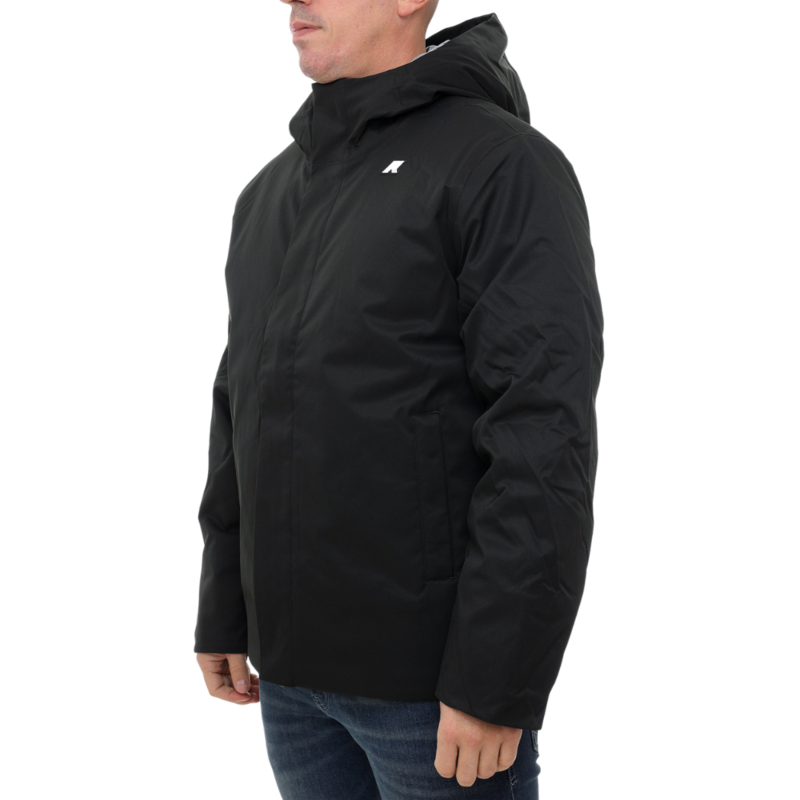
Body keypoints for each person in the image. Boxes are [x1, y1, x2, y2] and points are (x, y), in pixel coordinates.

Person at [193, 1, 604, 797]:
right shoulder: (266, 193)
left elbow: (541, 435)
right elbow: (238, 410)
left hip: (433, 697)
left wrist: (496, 679)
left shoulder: (500, 164)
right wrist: (224, 607)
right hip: (288, 686)